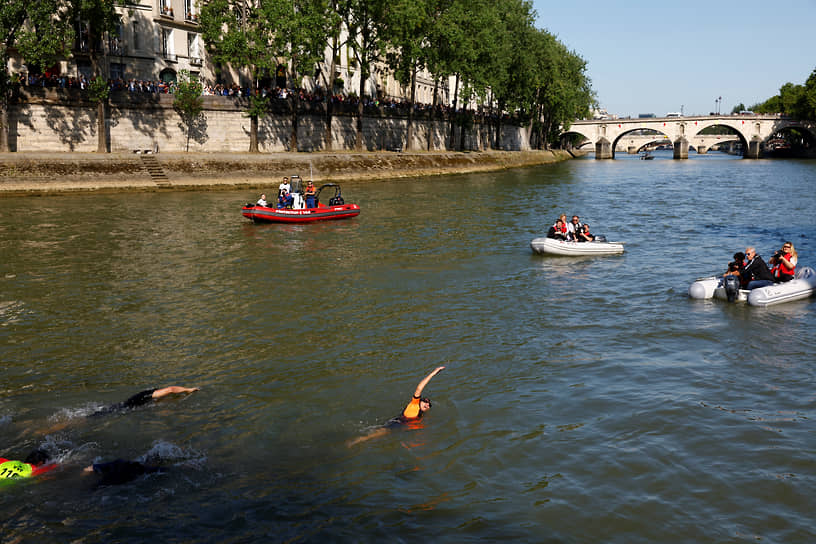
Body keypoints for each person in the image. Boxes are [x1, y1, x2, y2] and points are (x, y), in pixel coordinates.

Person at [347, 366, 445, 447]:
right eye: (425, 402)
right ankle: (355, 441)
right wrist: (433, 373)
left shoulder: (421, 415)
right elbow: (419, 388)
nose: (427, 404)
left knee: (380, 438)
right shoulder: (414, 404)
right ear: (419, 401)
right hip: (396, 423)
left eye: (429, 405)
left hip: (401, 427)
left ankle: (358, 440)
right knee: (377, 434)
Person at [90, 386, 200, 417]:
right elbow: (170, 389)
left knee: (96, 414)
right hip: (121, 409)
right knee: (92, 417)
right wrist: (188, 390)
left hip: (120, 406)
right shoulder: (148, 395)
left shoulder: (145, 394)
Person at [84, 459, 166, 486]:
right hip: (117, 480)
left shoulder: (119, 462)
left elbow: (89, 468)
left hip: (111, 477)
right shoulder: (143, 470)